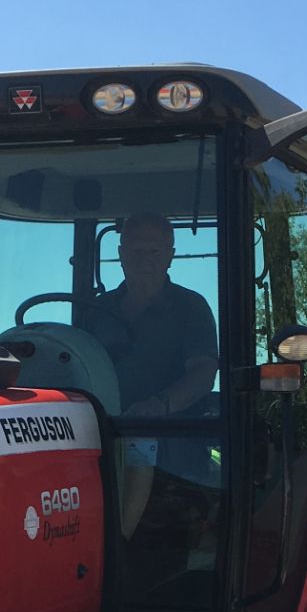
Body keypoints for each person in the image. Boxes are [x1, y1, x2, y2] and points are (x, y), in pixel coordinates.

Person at [80, 212, 220, 534]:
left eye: (154, 251)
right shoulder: (96, 311)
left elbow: (202, 373)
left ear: (170, 256)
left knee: (140, 449)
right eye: (135, 250)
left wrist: (155, 407)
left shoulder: (191, 308)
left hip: (173, 451)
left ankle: (117, 544)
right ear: (120, 254)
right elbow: (76, 361)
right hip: (100, 438)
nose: (144, 258)